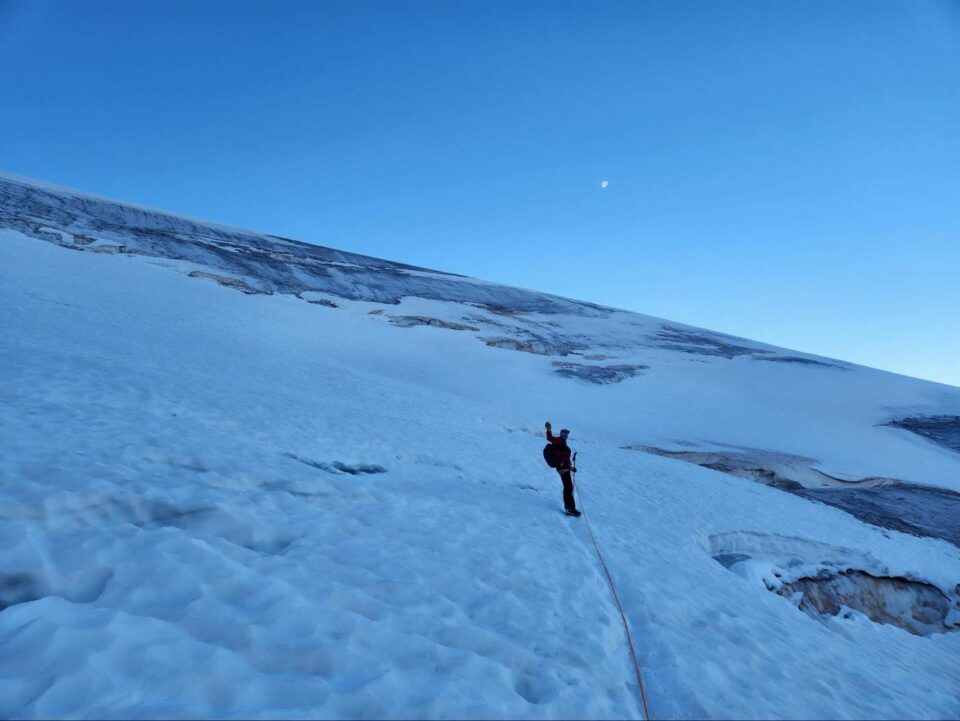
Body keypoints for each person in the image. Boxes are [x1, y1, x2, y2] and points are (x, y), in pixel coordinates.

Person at [545, 421, 580, 517]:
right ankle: (569, 508)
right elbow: (550, 438)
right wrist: (549, 430)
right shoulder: (559, 440)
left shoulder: (565, 445)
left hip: (564, 466)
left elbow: (566, 459)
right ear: (561, 434)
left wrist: (572, 469)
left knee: (568, 486)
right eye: (563, 433)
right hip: (561, 465)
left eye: (566, 433)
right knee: (568, 486)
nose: (565, 435)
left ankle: (570, 508)